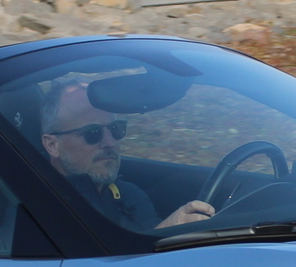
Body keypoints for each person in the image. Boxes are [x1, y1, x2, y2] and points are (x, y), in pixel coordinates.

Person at [37, 82, 214, 233]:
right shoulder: (37, 209)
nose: (110, 142)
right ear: (53, 145)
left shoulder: (129, 196)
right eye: (93, 133)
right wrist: (167, 231)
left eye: (115, 129)